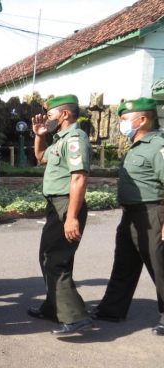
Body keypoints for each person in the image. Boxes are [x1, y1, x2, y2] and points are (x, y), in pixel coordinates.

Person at [89, 97, 164, 336]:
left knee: (159, 266)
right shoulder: (136, 145)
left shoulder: (158, 146)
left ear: (142, 119)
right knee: (124, 263)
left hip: (152, 213)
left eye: (124, 119)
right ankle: (112, 309)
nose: (122, 124)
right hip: (131, 214)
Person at [29, 94, 93, 335]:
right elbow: (40, 158)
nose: (48, 118)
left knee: (54, 259)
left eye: (50, 114)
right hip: (57, 205)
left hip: (66, 205)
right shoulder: (59, 140)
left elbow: (79, 177)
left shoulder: (75, 139)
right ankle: (53, 306)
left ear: (64, 114)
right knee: (52, 257)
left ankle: (75, 317)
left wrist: (72, 216)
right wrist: (39, 135)